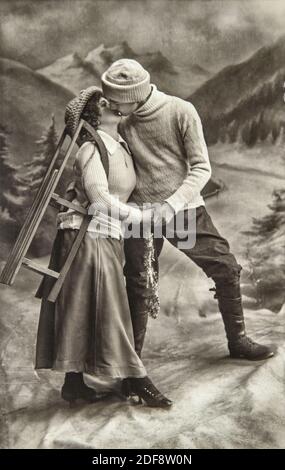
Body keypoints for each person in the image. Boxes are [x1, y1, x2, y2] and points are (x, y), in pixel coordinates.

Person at [101, 59, 274, 362]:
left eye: (115, 100)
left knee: (226, 268)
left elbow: (202, 168)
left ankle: (239, 341)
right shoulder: (119, 120)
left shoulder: (181, 111)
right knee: (139, 284)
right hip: (139, 215)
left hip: (182, 209)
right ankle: (131, 364)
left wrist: (170, 205)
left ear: (133, 97)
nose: (109, 105)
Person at [34, 86, 172, 408]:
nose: (113, 105)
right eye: (104, 103)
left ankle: (73, 384)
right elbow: (97, 200)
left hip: (106, 235)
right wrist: (139, 215)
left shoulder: (119, 145)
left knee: (86, 307)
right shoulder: (91, 148)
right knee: (111, 311)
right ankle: (137, 378)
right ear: (96, 115)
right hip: (86, 235)